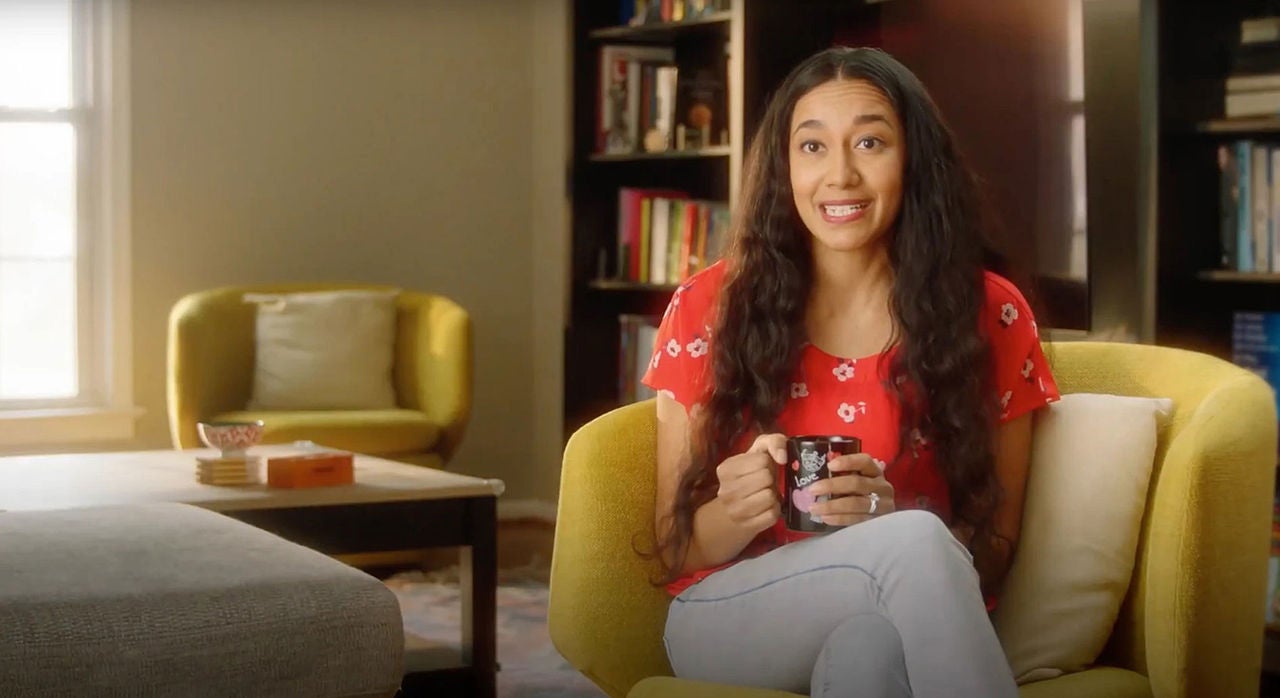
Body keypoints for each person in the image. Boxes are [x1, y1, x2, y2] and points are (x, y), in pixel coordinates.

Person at [641, 46, 1060, 698]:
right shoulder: (707, 309)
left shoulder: (991, 313)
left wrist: (884, 522)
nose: (840, 174)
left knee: (870, 653)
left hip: (895, 607)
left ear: (913, 159)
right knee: (915, 546)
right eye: (812, 148)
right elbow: (675, 549)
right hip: (725, 614)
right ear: (784, 167)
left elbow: (997, 550)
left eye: (870, 143)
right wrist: (734, 510)